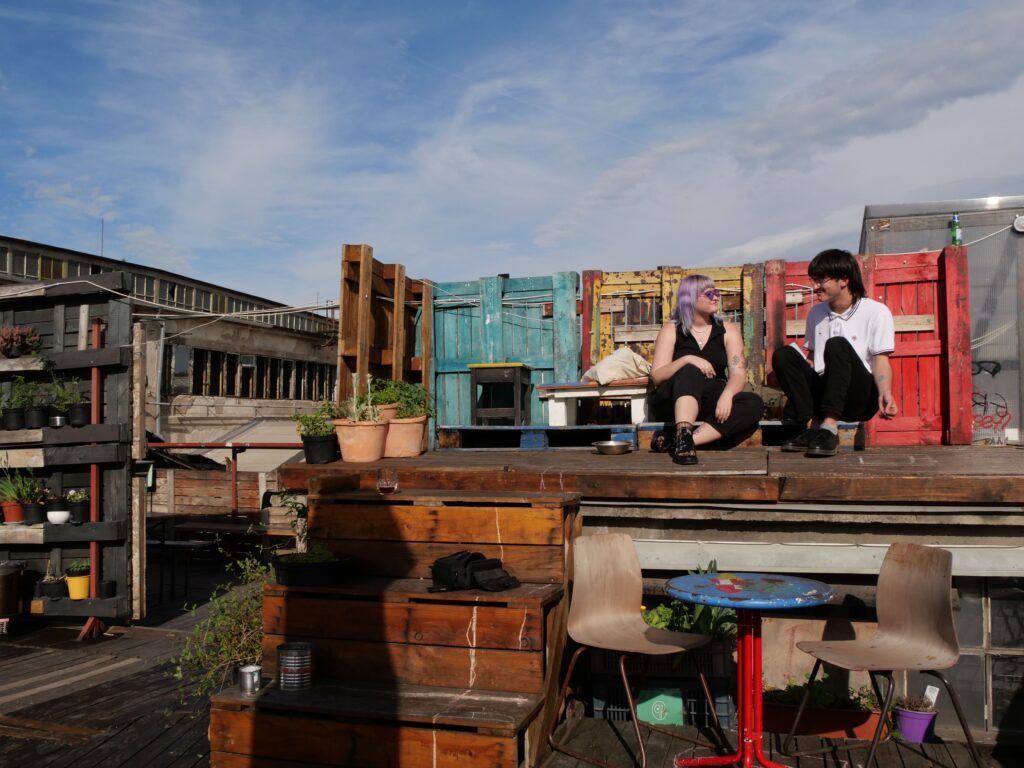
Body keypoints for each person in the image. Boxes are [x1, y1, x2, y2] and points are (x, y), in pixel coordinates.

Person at [771, 248, 899, 457]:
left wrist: (886, 392)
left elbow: (880, 360)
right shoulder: (816, 313)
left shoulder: (876, 312)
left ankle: (829, 428)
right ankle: (812, 427)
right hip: (826, 393)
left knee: (836, 344)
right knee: (783, 355)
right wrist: (799, 375)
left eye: (821, 280)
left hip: (858, 397)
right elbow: (812, 360)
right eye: (814, 280)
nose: (815, 286)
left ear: (844, 280)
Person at [649, 274, 764, 465]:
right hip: (674, 400)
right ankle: (683, 432)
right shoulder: (671, 330)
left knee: (754, 403)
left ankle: (683, 442)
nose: (716, 297)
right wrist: (687, 359)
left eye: (716, 293)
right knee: (690, 370)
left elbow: (738, 373)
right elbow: (657, 376)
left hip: (711, 401)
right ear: (690, 298)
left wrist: (727, 395)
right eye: (709, 294)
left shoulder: (727, 330)